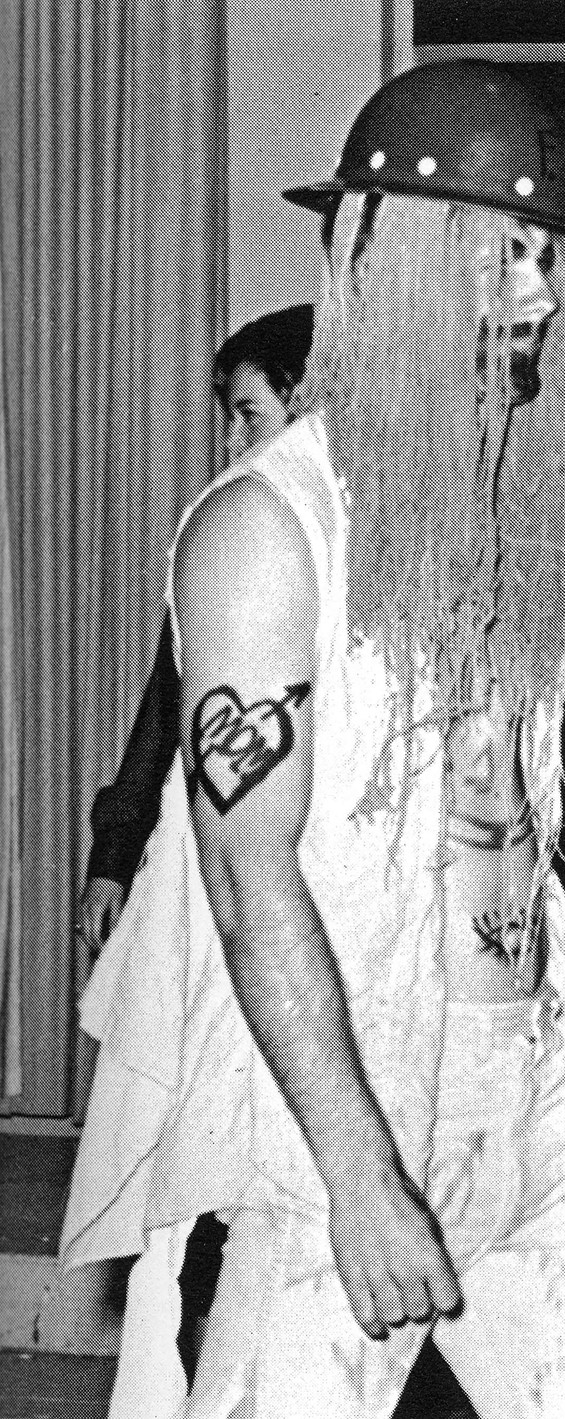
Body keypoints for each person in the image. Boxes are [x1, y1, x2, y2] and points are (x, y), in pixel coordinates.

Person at [61, 61, 565, 1419]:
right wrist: (356, 1171)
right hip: (334, 1128)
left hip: (526, 1110)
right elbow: (247, 875)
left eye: (546, 258)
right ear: (390, 259)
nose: (535, 293)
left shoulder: (504, 514)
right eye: (499, 253)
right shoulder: (265, 530)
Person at [78, 305, 314, 954]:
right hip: (222, 858)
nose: (234, 442)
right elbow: (164, 706)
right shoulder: (228, 539)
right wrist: (114, 858)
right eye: (230, 418)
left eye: (249, 415)